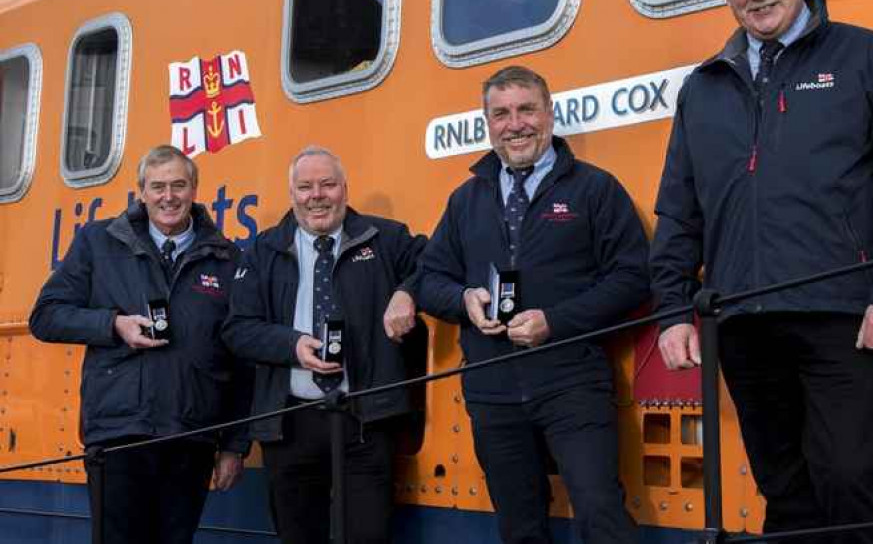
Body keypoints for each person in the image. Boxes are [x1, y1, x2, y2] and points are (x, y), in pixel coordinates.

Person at [650, 0, 873, 543]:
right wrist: (675, 312)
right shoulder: (702, 90)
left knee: (848, 477)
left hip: (844, 314)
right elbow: (679, 212)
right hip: (743, 322)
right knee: (784, 490)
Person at [418, 65, 649, 544]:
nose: (514, 123)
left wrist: (555, 321)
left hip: (572, 383)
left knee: (601, 513)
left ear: (549, 113)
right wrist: (464, 300)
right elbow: (429, 279)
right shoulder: (466, 199)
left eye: (526, 109)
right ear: (488, 123)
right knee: (520, 528)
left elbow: (633, 278)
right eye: (501, 113)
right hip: (492, 391)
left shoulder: (594, 189)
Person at [29, 144, 252, 544]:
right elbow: (45, 316)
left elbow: (241, 359)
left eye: (178, 186)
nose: (169, 197)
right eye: (158, 187)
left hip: (190, 437)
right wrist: (113, 325)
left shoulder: (226, 259)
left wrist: (234, 445)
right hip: (119, 433)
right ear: (142, 192)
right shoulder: (98, 242)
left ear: (194, 190)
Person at [222, 146, 426, 544]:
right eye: (305, 187)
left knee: (367, 536)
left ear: (345, 190)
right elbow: (238, 329)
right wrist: (292, 345)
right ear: (293, 195)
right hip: (291, 423)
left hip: (365, 419)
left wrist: (407, 292)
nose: (317, 195)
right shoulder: (264, 250)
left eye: (327, 184)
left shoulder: (387, 238)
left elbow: (436, 266)